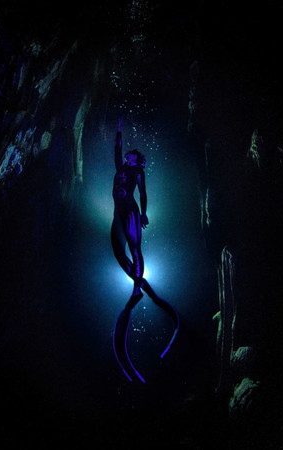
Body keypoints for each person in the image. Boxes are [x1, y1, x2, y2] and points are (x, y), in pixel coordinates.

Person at [111, 117, 179, 383]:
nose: (127, 153)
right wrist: (118, 130)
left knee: (135, 248)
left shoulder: (137, 172)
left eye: (131, 153)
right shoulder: (121, 166)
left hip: (130, 213)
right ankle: (138, 284)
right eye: (127, 153)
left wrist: (145, 214)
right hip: (117, 215)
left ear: (135, 159)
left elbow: (143, 194)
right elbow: (117, 150)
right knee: (118, 250)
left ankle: (137, 289)